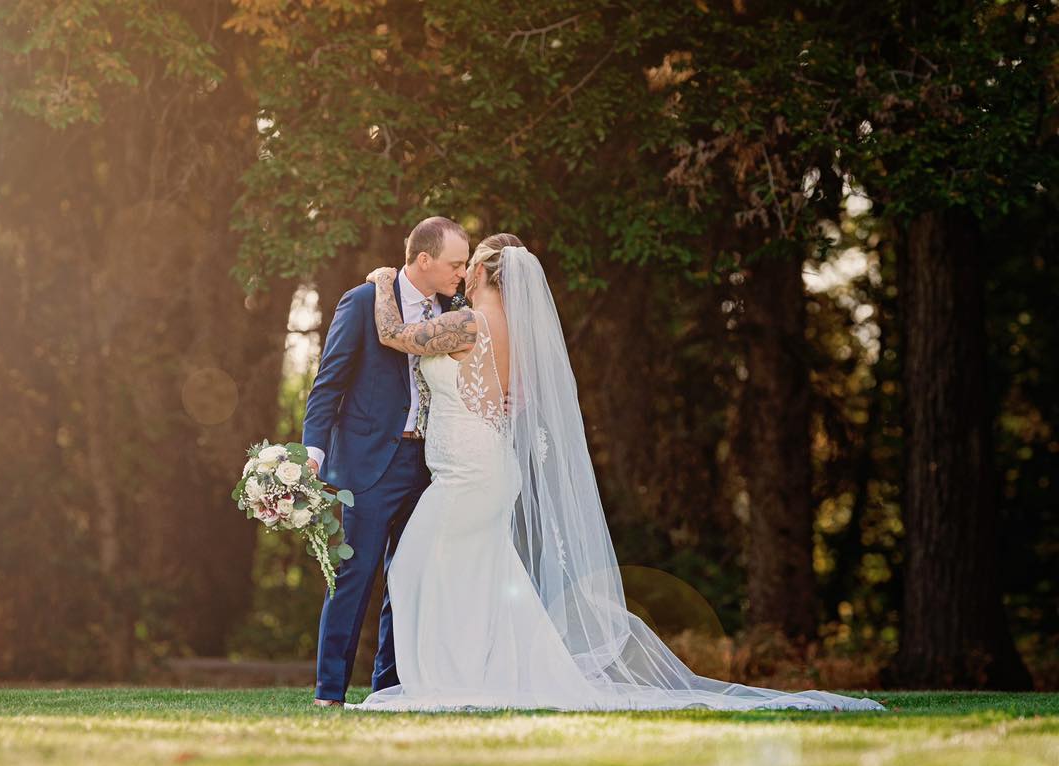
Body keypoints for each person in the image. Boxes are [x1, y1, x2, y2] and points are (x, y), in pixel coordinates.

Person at [349, 233, 886, 713]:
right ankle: (479, 674)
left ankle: (453, 677)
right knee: (478, 577)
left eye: (471, 265)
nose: (462, 273)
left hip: (469, 474)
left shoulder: (468, 321)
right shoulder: (511, 329)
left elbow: (396, 335)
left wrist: (381, 282)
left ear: (487, 273)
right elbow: (515, 396)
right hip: (485, 468)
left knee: (414, 565)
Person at [301, 216, 470, 706]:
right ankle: (329, 692)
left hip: (430, 465)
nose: (460, 273)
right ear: (423, 259)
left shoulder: (453, 311)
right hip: (368, 466)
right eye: (454, 263)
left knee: (411, 577)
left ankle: (390, 690)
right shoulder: (362, 301)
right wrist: (313, 453)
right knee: (353, 578)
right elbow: (327, 385)